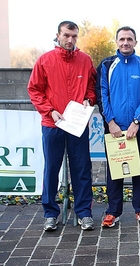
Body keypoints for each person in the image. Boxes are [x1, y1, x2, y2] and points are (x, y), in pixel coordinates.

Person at [27, 21, 96, 231]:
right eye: (66, 35)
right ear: (58, 35)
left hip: (77, 124)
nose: (70, 40)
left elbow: (91, 87)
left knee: (82, 168)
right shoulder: (45, 60)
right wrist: (49, 111)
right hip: (53, 123)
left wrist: (89, 100)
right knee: (51, 169)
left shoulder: (85, 60)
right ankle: (50, 213)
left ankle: (84, 212)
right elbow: (34, 90)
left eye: (74, 36)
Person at [98, 26, 140, 227]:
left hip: (137, 129)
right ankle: (112, 211)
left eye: (129, 39)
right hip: (113, 128)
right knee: (115, 171)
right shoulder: (107, 65)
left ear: (135, 42)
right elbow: (102, 95)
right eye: (122, 39)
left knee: (139, 170)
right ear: (116, 42)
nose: (125, 42)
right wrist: (111, 121)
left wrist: (137, 121)